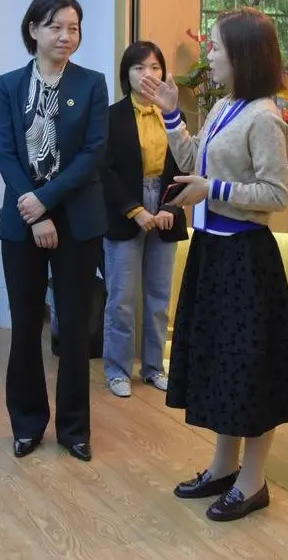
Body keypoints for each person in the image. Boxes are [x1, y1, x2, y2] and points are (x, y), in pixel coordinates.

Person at [139, 6, 288, 522]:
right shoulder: (224, 107)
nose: (208, 54)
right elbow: (194, 162)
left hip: (246, 259)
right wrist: (173, 115)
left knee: (249, 369)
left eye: (215, 46)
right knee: (222, 365)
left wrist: (211, 189)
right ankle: (222, 468)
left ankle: (253, 483)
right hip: (213, 254)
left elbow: (276, 194)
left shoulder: (265, 117)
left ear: (243, 54)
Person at [0, 0, 108, 463]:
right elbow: (5, 151)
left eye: (73, 28)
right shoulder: (8, 86)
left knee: (75, 328)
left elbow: (92, 153)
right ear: (33, 30)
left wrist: (46, 201)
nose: (65, 35)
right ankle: (26, 423)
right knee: (25, 326)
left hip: (76, 219)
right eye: (55, 26)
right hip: (23, 220)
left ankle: (74, 429)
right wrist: (34, 209)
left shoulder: (92, 83)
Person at [100, 41, 187, 398]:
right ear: (127, 74)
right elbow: (104, 170)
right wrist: (136, 210)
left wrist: (170, 208)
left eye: (154, 67)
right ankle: (117, 370)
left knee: (159, 297)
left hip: (165, 207)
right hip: (125, 210)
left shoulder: (174, 115)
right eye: (139, 68)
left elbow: (185, 164)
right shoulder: (111, 116)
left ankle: (154, 368)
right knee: (121, 298)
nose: (148, 74)